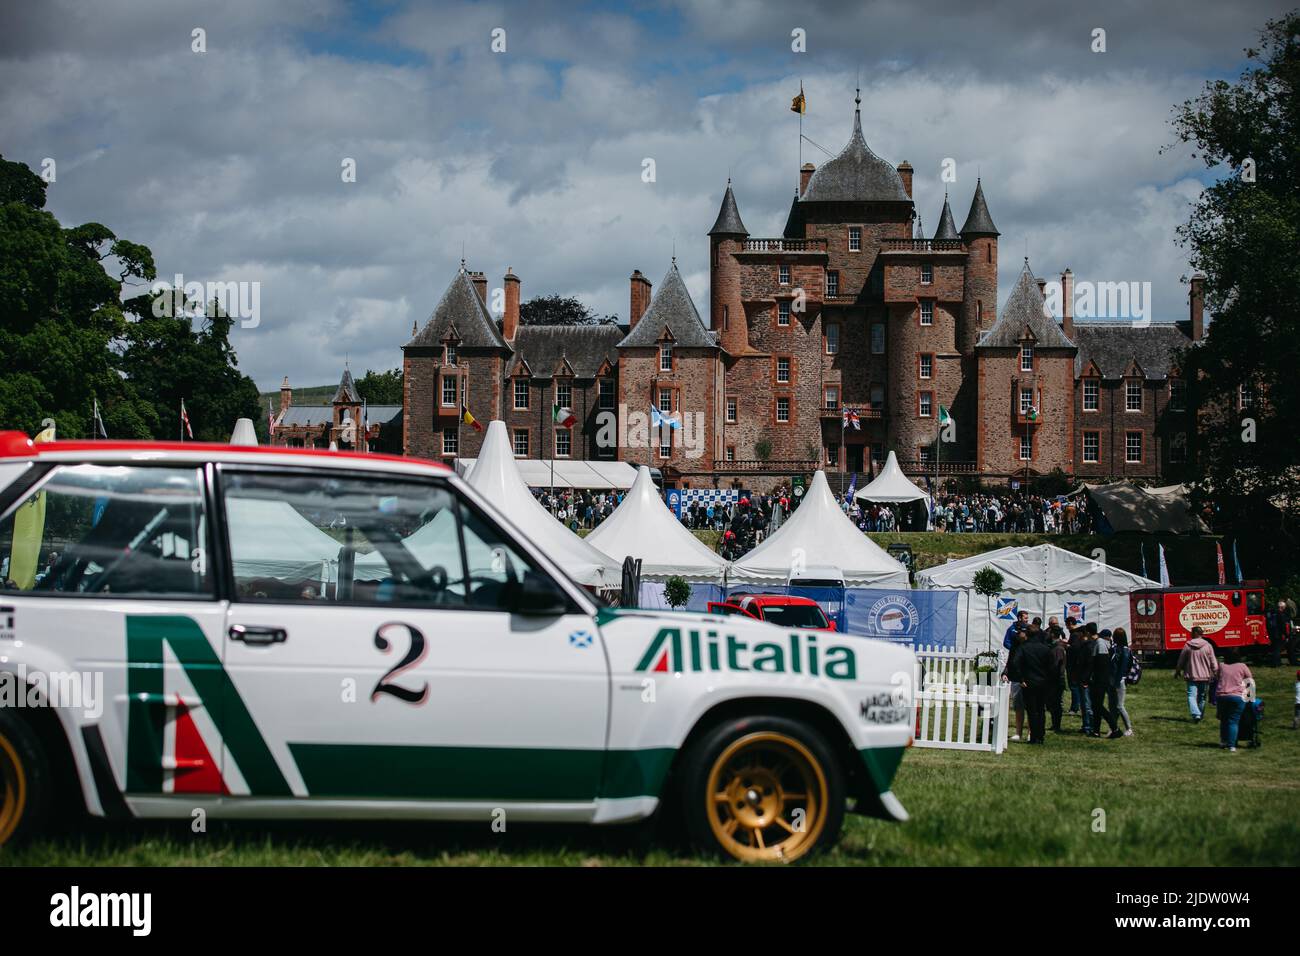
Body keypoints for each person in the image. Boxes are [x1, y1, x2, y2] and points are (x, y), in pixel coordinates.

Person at [1008, 629, 1057, 744]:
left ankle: (1033, 736)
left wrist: (1021, 678)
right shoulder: (1045, 648)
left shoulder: (1023, 647)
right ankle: (1040, 735)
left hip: (1028, 682)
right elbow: (1052, 667)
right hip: (1043, 682)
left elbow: (1015, 663)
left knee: (1031, 710)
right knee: (1041, 709)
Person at [1175, 626, 1219, 722]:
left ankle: (1196, 714)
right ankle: (1199, 714)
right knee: (1202, 696)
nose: (1190, 634)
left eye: (1191, 632)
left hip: (1191, 675)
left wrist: (1178, 670)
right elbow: (1213, 661)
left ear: (1195, 633)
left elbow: (1181, 660)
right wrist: (1215, 671)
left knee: (1191, 695)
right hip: (1205, 675)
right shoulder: (1208, 646)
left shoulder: (1188, 645)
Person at [1215, 649, 1254, 752]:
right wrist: (1250, 697)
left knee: (1223, 720)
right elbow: (1249, 680)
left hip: (1222, 696)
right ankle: (1232, 745)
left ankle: (1223, 741)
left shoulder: (1221, 666)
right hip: (1237, 696)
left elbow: (1217, 677)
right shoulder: (1242, 666)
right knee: (1233, 721)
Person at [1087, 626, 1118, 738]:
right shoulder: (1107, 645)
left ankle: (1114, 727)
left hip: (1099, 680)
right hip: (1103, 679)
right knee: (1096, 706)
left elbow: (1099, 665)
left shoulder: (1100, 644)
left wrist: (1090, 678)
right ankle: (1096, 730)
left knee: (1097, 705)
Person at [1002, 626, 1029, 741]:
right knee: (1018, 707)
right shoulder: (1014, 646)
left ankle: (1030, 733)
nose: (1019, 634)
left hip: (1028, 680)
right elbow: (1010, 662)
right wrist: (1005, 673)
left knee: (1030, 708)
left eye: (1021, 632)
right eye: (1018, 632)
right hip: (1015, 679)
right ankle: (1018, 733)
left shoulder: (1029, 647)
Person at [1065, 620, 1093, 733]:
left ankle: (1089, 726)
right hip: (1081, 676)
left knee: (1087, 704)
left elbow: (1088, 664)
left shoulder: (1087, 647)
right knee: (1085, 703)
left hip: (1085, 678)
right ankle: (1086, 725)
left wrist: (1085, 678)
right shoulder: (1085, 646)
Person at [1109, 628, 1134, 737]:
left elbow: (1123, 667)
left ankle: (1129, 728)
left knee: (1119, 706)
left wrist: (1117, 681)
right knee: (1112, 706)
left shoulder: (1125, 651)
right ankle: (1113, 727)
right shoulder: (1116, 649)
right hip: (1113, 680)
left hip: (1119, 680)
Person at [1266, 600, 1293, 667]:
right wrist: (1286, 634)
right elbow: (1282, 625)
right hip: (1278, 634)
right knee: (1277, 649)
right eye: (1284, 607)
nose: (1284, 608)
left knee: (1275, 648)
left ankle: (1276, 662)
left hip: (1273, 633)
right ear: (1282, 607)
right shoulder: (1280, 615)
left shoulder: (1273, 613)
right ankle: (1276, 663)